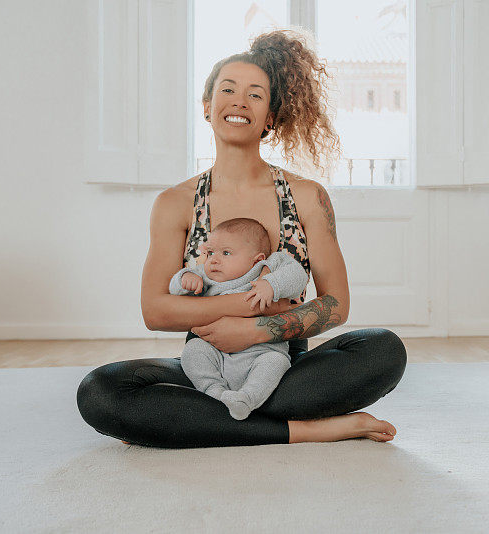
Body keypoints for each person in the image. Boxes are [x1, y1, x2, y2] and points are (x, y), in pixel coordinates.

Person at [76, 28, 407, 448]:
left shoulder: (306, 196)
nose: (239, 100)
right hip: (206, 364)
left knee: (384, 349)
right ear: (207, 107)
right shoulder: (175, 203)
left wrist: (257, 333)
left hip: (280, 364)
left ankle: (197, 421)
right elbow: (155, 311)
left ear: (270, 117)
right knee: (100, 391)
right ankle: (304, 429)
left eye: (255, 94)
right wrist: (242, 312)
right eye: (228, 89)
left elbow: (337, 305)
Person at [169, 217, 308, 420]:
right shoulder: (205, 276)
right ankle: (215, 392)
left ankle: (246, 398)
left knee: (276, 362)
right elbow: (174, 286)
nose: (214, 260)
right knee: (193, 351)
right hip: (217, 354)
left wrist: (271, 284)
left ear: (257, 259)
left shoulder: (268, 266)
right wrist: (185, 279)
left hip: (260, 353)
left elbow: (298, 276)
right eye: (209, 253)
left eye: (226, 253)